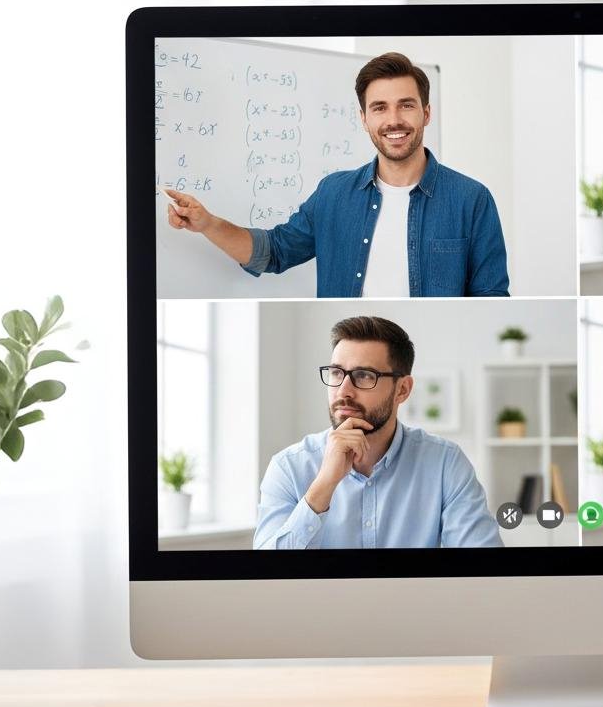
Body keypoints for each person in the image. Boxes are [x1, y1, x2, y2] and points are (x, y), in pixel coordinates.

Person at [164, 52, 510, 297]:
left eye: (406, 105)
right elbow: (274, 251)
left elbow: (491, 297)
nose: (394, 120)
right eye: (379, 108)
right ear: (364, 119)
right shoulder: (333, 194)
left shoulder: (471, 199)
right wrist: (208, 223)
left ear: (426, 113)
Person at [255, 316, 504, 549]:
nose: (343, 391)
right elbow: (264, 577)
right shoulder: (289, 467)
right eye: (336, 373)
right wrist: (324, 485)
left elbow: (483, 569)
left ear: (402, 390)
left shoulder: (444, 463)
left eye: (364, 375)